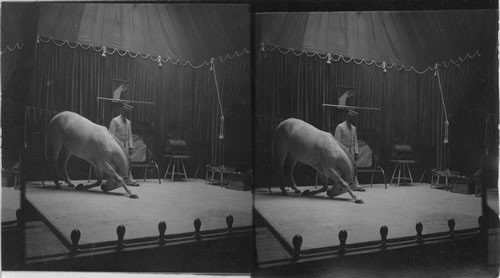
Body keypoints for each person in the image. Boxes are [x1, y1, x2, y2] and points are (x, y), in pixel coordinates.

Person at [333, 109, 364, 191]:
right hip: (342, 153)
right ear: (347, 117)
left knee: (354, 168)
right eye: (351, 117)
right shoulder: (340, 127)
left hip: (351, 153)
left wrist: (356, 152)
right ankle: (339, 186)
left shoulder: (353, 128)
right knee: (342, 170)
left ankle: (355, 185)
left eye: (353, 118)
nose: (352, 119)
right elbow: (336, 142)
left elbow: (355, 141)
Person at [109, 103, 139, 186]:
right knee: (117, 163)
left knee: (128, 163)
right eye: (126, 111)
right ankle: (115, 180)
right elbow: (111, 136)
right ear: (122, 111)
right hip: (116, 147)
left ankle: (129, 179)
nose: (127, 113)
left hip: (125, 147)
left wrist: (131, 147)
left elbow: (130, 135)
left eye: (128, 112)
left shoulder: (128, 122)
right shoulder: (115, 121)